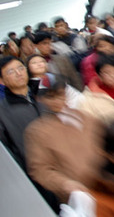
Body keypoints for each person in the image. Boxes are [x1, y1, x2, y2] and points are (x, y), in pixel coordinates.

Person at [24, 77, 104, 204]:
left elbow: (106, 142)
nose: (58, 100)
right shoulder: (37, 131)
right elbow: (40, 169)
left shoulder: (84, 117)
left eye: (60, 95)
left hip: (106, 184)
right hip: (81, 196)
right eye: (51, 97)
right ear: (40, 99)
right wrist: (65, 184)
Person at [0, 56, 61, 212]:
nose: (19, 73)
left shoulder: (43, 96)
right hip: (39, 176)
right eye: (11, 71)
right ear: (2, 80)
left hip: (64, 163)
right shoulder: (3, 111)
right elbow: (9, 151)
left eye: (21, 68)